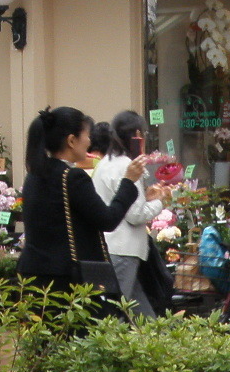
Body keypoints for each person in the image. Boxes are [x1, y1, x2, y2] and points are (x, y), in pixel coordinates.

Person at [17, 105, 145, 295]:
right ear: (71, 140)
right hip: (66, 278)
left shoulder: (34, 176)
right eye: (86, 135)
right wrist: (128, 182)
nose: (89, 141)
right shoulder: (72, 177)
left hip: (32, 274)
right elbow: (107, 220)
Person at [94, 110, 164, 317]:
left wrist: (147, 197)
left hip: (110, 245)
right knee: (117, 311)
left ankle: (154, 343)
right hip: (124, 249)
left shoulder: (106, 163)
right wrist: (160, 201)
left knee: (137, 307)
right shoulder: (128, 166)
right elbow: (135, 215)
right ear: (136, 135)